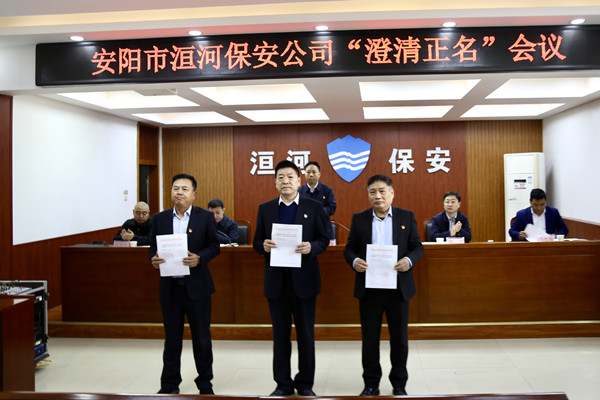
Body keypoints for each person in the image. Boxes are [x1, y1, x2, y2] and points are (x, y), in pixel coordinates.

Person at [253, 160, 330, 396]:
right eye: (280, 177)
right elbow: (256, 241)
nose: (285, 181)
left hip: (304, 282)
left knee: (306, 335)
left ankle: (305, 383)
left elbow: (324, 239)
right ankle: (283, 384)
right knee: (280, 336)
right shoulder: (265, 208)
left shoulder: (314, 207)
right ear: (275, 182)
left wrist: (312, 247)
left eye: (290, 177)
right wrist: (263, 246)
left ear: (299, 181)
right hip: (277, 283)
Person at [344, 174, 423, 397]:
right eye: (372, 192)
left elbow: (417, 247)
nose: (377, 196)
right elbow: (349, 249)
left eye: (382, 191)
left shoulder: (406, 216)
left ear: (392, 193)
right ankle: (371, 384)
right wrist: (354, 261)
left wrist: (408, 261)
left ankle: (399, 383)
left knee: (399, 339)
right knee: (370, 339)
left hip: (398, 288)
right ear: (368, 195)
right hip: (369, 289)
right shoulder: (359, 219)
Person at [149, 174, 220, 395]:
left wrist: (200, 258)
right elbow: (153, 248)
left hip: (198, 288)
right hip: (170, 288)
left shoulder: (205, 217)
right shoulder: (159, 219)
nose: (179, 192)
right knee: (171, 339)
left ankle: (205, 383)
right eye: (175, 188)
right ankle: (169, 384)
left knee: (202, 338)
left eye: (184, 189)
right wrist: (153, 260)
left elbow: (214, 246)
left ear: (194, 194)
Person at [298, 161, 337, 241]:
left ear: (319, 174)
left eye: (314, 172)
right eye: (308, 172)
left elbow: (332, 207)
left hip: (324, 229)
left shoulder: (327, 190)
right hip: (306, 231)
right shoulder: (299, 191)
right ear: (304, 174)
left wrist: (317, 212)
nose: (311, 175)